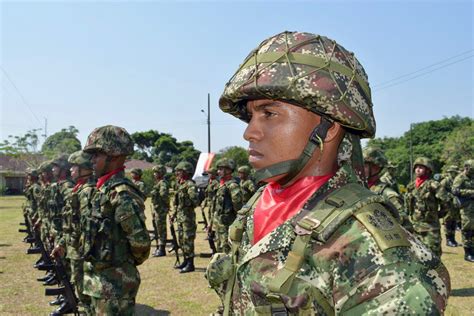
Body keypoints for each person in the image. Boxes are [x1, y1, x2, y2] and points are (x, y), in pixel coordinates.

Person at [206, 31, 450, 314]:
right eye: (250, 117)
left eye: (269, 113)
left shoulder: (374, 253)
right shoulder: (258, 205)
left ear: (329, 127)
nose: (250, 132)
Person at [82, 125, 151, 314]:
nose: (92, 160)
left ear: (114, 156)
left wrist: (121, 265)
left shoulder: (122, 194)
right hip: (95, 284)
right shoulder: (102, 190)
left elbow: (141, 244)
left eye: (97, 154)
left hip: (114, 288)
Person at [51, 150, 95, 315]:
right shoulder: (78, 189)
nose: (71, 170)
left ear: (84, 168)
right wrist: (62, 242)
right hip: (73, 246)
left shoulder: (87, 192)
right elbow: (70, 222)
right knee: (78, 284)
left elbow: (83, 226)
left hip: (80, 249)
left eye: (74, 167)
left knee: (85, 290)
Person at [363, 147, 412, 232]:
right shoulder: (360, 189)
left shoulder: (388, 194)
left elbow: (406, 225)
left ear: (376, 167)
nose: (360, 168)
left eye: (365, 165)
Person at [405, 157, 445, 258]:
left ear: (428, 170)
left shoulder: (433, 185)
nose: (418, 169)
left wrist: (441, 213)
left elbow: (448, 201)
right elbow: (407, 206)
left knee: (433, 256)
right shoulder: (411, 186)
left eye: (421, 167)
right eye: (416, 167)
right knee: (416, 256)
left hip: (430, 228)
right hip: (415, 227)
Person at [170, 161, 199, 273]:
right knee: (181, 240)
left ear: (186, 172)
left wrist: (188, 203)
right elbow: (177, 203)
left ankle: (191, 264)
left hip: (188, 217)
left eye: (180, 171)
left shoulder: (190, 185)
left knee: (188, 240)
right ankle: (185, 260)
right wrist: (173, 215)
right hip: (180, 217)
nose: (177, 173)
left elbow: (195, 201)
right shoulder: (180, 184)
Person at [209, 158, 243, 254]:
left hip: (228, 224)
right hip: (219, 224)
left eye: (221, 169)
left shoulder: (232, 185)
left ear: (228, 170)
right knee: (220, 248)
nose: (218, 171)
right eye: (218, 169)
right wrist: (211, 223)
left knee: (227, 250)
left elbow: (238, 206)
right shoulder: (220, 185)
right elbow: (216, 207)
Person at [452, 159, 474, 262]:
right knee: (467, 229)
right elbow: (455, 191)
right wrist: (471, 192)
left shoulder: (472, 177)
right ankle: (468, 253)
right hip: (466, 207)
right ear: (466, 167)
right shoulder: (460, 178)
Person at [438, 165, 461, 247]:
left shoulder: (456, 181)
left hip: (454, 205)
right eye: (454, 172)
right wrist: (449, 198)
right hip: (447, 205)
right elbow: (440, 192)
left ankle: (453, 239)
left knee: (454, 221)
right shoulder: (445, 181)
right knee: (448, 222)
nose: (456, 174)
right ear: (451, 172)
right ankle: (448, 240)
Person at [150, 164, 170, 257]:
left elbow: (164, 195)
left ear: (161, 173)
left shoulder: (162, 183)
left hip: (161, 209)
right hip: (157, 208)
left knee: (161, 229)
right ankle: (159, 247)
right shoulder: (158, 183)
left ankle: (162, 249)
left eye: (156, 172)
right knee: (158, 228)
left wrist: (165, 205)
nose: (154, 174)